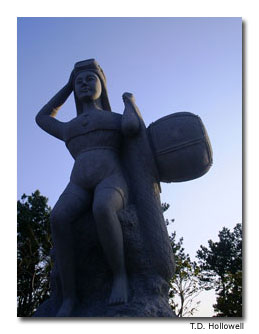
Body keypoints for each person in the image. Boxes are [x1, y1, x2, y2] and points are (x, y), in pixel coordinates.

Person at [36, 59, 138, 317]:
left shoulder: (113, 118)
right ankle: (69, 296)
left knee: (103, 208)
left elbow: (132, 127)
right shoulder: (69, 127)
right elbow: (42, 118)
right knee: (58, 217)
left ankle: (120, 276)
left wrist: (130, 102)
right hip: (78, 184)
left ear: (102, 86)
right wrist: (67, 87)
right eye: (78, 81)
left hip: (112, 178)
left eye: (89, 79)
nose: (83, 83)